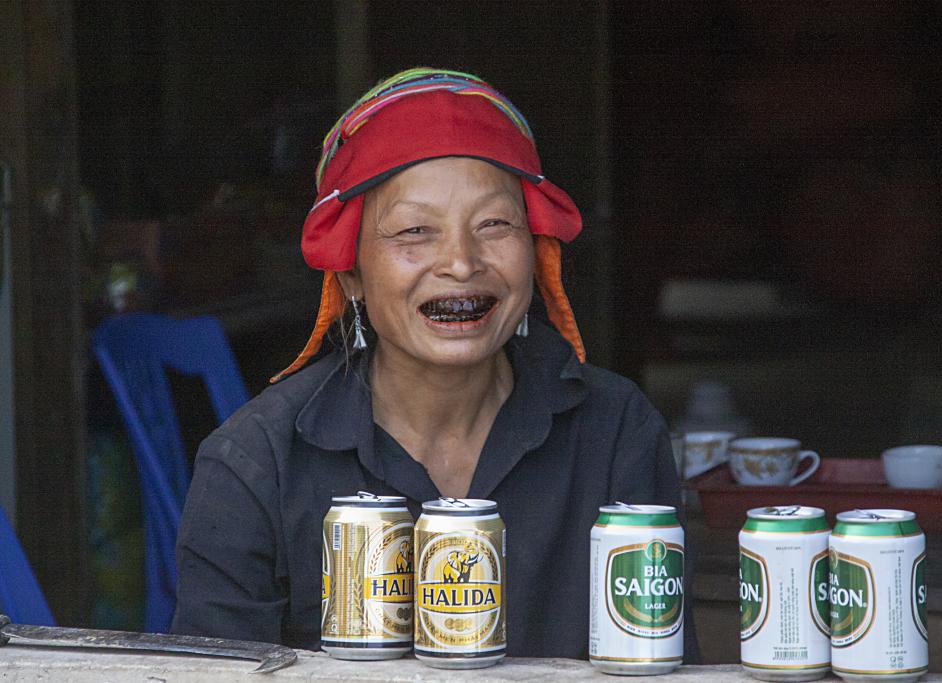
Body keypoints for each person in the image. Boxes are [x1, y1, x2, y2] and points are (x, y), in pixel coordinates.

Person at [171, 68, 699, 661]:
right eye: (415, 230)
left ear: (536, 250)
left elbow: (664, 661)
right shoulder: (255, 464)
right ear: (350, 273)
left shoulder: (616, 432)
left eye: (495, 224)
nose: (460, 262)